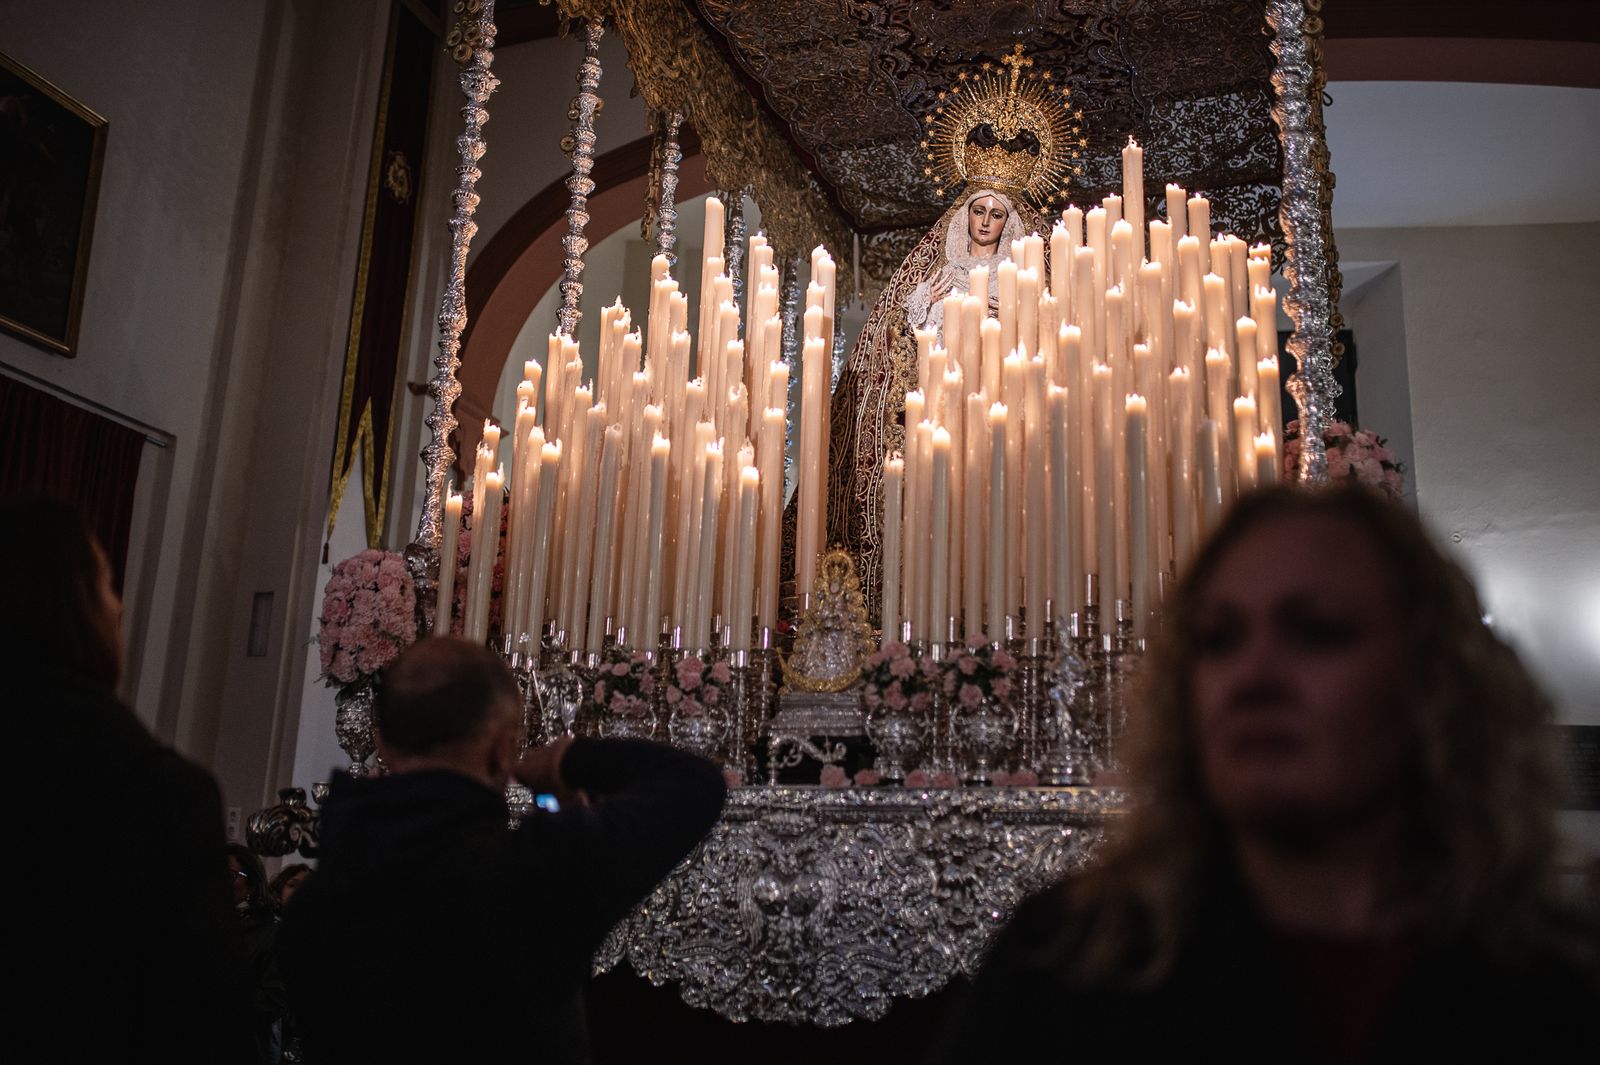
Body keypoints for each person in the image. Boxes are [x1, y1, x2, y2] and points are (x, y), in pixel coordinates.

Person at [938, 485, 1599, 1061]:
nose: (1252, 677)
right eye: (1218, 638)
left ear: (1431, 679)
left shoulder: (1556, 988)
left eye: (1317, 631)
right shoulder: (1065, 961)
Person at [277, 637, 726, 1064]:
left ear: (380, 744)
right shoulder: (532, 871)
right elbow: (695, 783)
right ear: (503, 748)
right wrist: (568, 761)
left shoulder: (309, 910)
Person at [4, 498, 253, 1062]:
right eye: (106, 586)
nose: (118, 609)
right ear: (72, 609)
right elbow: (204, 1020)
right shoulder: (158, 794)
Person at [228, 843, 288, 1063]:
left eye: (231, 875)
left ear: (251, 884)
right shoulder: (206, 925)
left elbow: (274, 997)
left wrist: (223, 1008)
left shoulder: (270, 930)